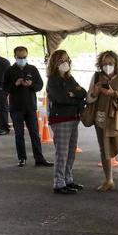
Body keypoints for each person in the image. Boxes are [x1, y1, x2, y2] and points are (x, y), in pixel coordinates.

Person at [87, 50, 118, 192]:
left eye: (110, 63)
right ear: (100, 64)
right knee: (103, 149)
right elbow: (89, 99)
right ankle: (108, 180)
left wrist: (114, 94)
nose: (107, 66)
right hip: (100, 119)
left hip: (117, 120)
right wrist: (95, 92)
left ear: (116, 64)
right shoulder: (96, 77)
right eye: (104, 64)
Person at [3, 46, 52, 168]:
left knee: (35, 133)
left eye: (24, 57)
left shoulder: (32, 69)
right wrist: (16, 84)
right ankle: (21, 158)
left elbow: (40, 85)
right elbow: (5, 88)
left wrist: (31, 84)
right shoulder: (9, 70)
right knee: (19, 134)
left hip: (30, 106)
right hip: (16, 107)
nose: (22, 59)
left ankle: (39, 158)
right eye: (20, 57)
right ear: (15, 57)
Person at [46, 50, 86, 194]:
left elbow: (83, 93)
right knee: (62, 153)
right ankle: (59, 182)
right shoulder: (53, 80)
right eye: (61, 60)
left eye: (66, 60)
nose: (65, 63)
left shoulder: (70, 79)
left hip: (73, 118)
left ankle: (68, 179)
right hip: (60, 119)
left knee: (71, 152)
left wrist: (73, 94)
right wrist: (74, 96)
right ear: (54, 63)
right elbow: (60, 99)